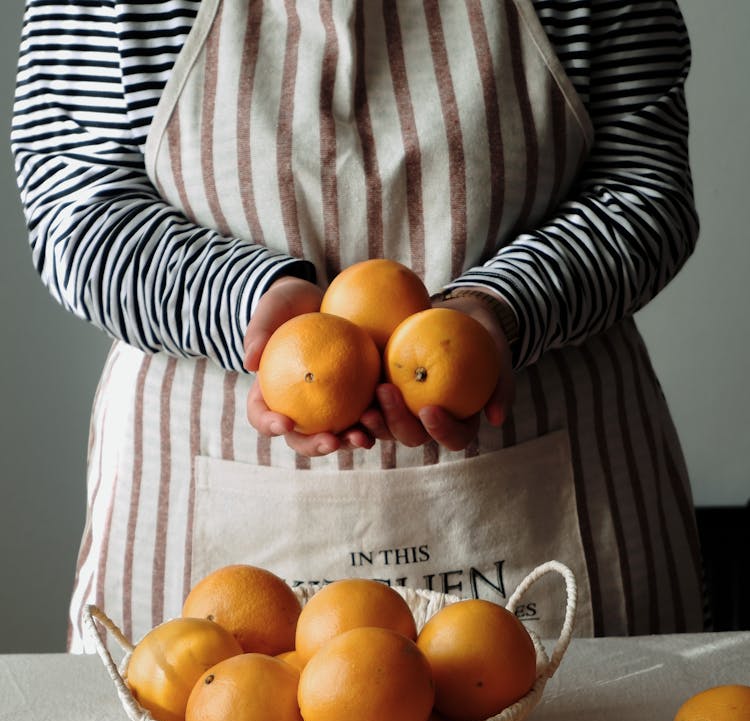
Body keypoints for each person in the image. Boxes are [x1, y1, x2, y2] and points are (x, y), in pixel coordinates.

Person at [12, 0, 705, 650]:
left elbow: (644, 184)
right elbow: (76, 198)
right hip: (210, 458)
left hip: (546, 468)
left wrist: (501, 311)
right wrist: (248, 304)